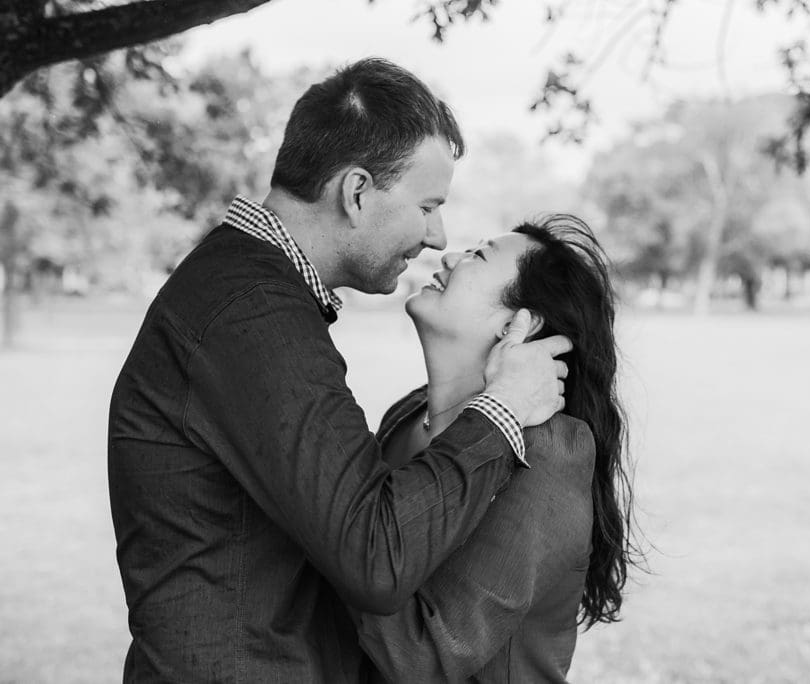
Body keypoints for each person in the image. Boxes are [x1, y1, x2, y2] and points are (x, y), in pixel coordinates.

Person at [107, 58, 570, 682]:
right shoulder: (252, 315)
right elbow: (374, 555)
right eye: (427, 205)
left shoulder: (251, 296)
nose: (437, 236)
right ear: (356, 193)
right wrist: (504, 410)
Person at [349, 215, 640, 682]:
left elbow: (428, 655)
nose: (448, 256)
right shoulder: (408, 414)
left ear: (517, 324)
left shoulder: (545, 455)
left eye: (477, 256)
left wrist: (326, 524)